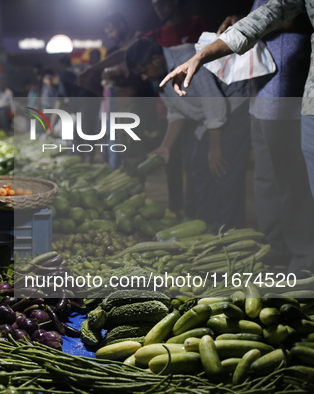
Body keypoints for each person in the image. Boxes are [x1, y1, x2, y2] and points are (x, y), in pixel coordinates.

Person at [161, 0, 314, 275]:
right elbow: (266, 15)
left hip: (287, 85)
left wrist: (264, 24)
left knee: (291, 181)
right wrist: (204, 53)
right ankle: (274, 247)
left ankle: (303, 256)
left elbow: (278, 17)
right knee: (265, 179)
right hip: (262, 90)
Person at [126, 38, 250, 231]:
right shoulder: (160, 75)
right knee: (198, 165)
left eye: (143, 71)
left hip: (232, 108)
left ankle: (229, 233)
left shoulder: (188, 60)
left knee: (223, 170)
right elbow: (176, 113)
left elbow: (214, 104)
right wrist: (166, 146)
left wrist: (215, 148)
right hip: (205, 119)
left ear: (156, 60)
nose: (143, 77)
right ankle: (205, 224)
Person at [145, 0, 210, 220]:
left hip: (206, 104)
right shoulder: (156, 34)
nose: (158, 9)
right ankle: (180, 207)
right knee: (177, 160)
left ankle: (200, 214)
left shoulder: (196, 25)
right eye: (154, 5)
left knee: (199, 163)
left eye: (162, 4)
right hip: (177, 107)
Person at [145, 0, 210, 47]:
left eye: (162, 4)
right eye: (155, 6)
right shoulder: (157, 35)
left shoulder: (196, 23)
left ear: (175, 1)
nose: (158, 9)